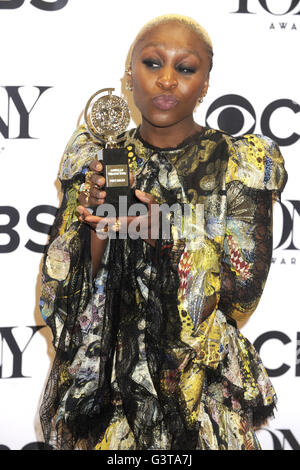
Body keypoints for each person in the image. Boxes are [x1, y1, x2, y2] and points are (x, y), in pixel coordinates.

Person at [39, 14, 288, 450]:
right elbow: (62, 294)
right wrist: (99, 227)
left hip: (200, 389)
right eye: (153, 63)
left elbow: (241, 294)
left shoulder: (238, 162)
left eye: (185, 68)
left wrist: (169, 233)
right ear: (129, 76)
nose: (167, 80)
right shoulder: (97, 157)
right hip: (111, 385)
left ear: (206, 82)